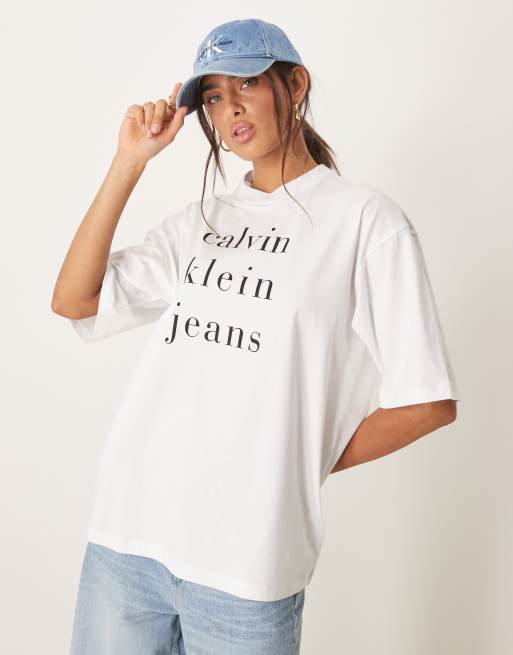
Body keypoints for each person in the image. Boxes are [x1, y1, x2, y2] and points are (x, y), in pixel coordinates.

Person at [52, 17, 460, 655]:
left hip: (245, 563)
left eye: (246, 82)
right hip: (128, 537)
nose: (231, 107)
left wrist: (292, 454)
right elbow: (74, 299)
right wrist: (129, 161)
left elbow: (428, 401)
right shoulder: (200, 222)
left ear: (294, 84)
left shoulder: (365, 222)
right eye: (214, 95)